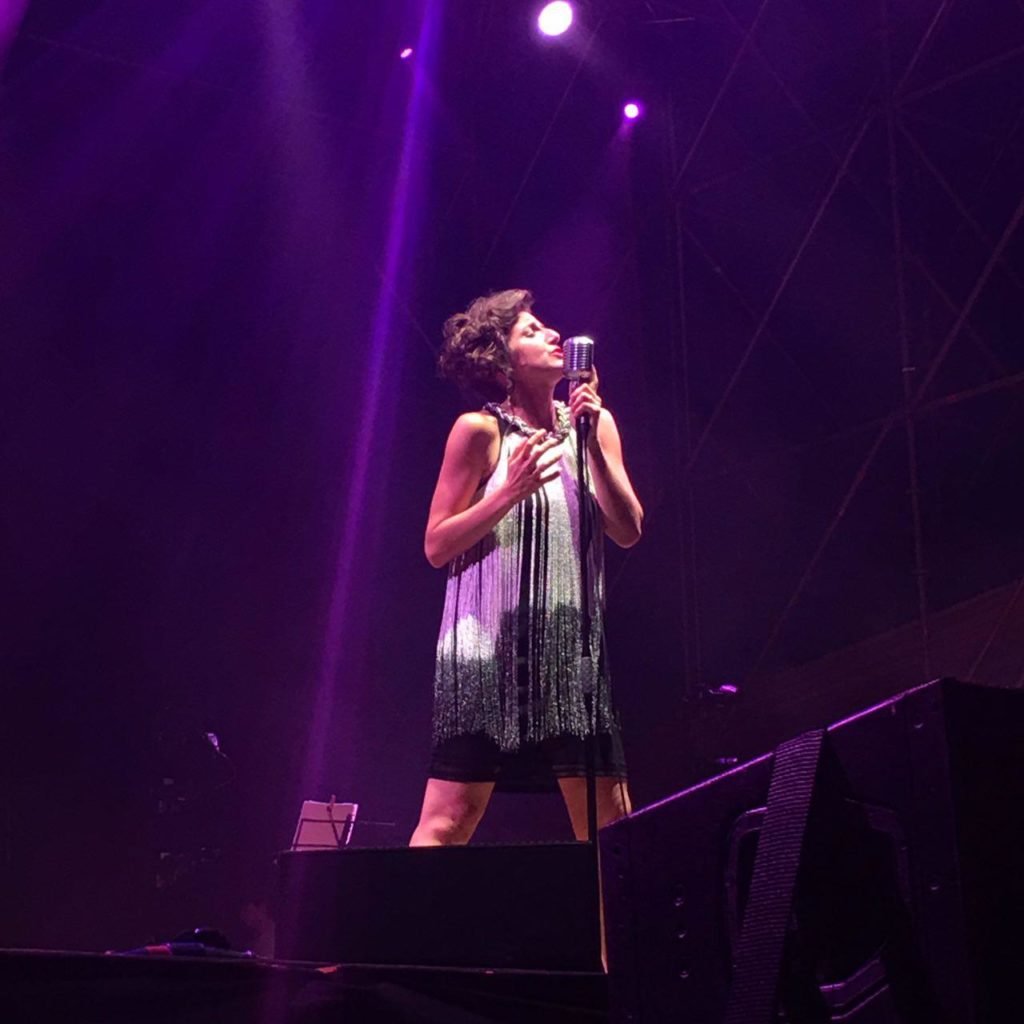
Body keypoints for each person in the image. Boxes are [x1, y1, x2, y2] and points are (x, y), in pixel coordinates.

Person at [410, 288, 643, 846]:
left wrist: (589, 443)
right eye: (531, 331)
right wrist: (507, 493)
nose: (553, 334)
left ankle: (616, 914)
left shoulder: (595, 426)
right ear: (502, 361)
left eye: (546, 326)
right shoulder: (479, 431)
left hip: (570, 654)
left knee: (612, 829)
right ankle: (413, 909)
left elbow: (629, 529)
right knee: (448, 821)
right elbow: (437, 545)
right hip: (486, 655)